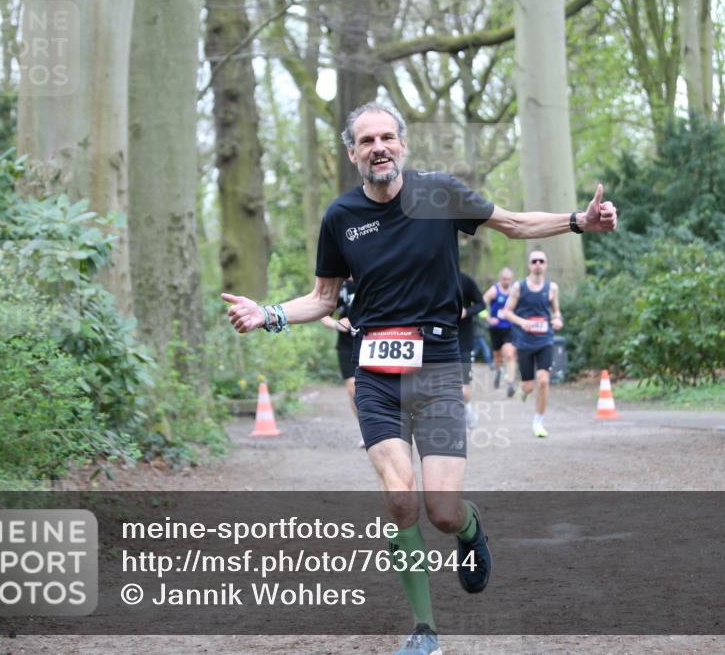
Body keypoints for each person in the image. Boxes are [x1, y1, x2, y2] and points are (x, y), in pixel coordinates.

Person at [221, 102, 617, 655]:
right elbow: (324, 298)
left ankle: (471, 530)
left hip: (437, 369)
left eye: (387, 137)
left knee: (442, 511)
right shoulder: (340, 216)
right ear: (353, 153)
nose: (378, 147)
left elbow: (512, 224)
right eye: (366, 141)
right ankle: (425, 630)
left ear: (402, 145)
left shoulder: (439, 194)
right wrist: (269, 314)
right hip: (376, 376)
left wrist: (578, 221)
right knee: (401, 499)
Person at [500, 250, 561, 438]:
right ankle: (524, 389)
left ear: (546, 264)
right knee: (528, 387)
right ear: (529, 265)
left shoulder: (552, 288)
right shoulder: (519, 287)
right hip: (525, 342)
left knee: (543, 379)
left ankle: (538, 422)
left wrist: (557, 320)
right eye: (534, 261)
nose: (538, 264)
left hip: (545, 340)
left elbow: (556, 312)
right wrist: (522, 322)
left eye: (541, 261)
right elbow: (506, 312)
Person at [319, 277, 365, 448]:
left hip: (371, 341)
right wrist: (337, 324)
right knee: (353, 388)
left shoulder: (370, 276)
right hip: (347, 344)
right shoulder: (339, 285)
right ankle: (366, 431)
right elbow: (322, 314)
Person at [482, 267, 518, 397]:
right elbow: (480, 305)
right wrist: (488, 318)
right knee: (497, 356)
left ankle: (511, 383)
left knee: (509, 354)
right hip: (496, 328)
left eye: (509, 279)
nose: (506, 281)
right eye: (504, 279)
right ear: (500, 279)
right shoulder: (494, 290)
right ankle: (498, 370)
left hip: (509, 328)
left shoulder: (515, 291)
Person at [458, 271, 486, 429]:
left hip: (463, 341)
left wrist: (466, 312)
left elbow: (482, 304)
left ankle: (468, 410)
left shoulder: (465, 280)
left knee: (463, 388)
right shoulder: (435, 278)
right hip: (439, 341)